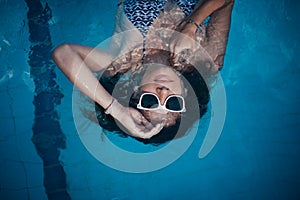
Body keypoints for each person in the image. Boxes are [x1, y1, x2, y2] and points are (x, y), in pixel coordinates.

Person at [52, 0, 234, 144]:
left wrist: (116, 110)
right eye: (173, 104)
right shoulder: (205, 60)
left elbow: (64, 53)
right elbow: (227, 1)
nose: (163, 92)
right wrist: (191, 24)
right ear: (185, 94)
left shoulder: (123, 61)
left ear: (136, 91)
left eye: (150, 101)